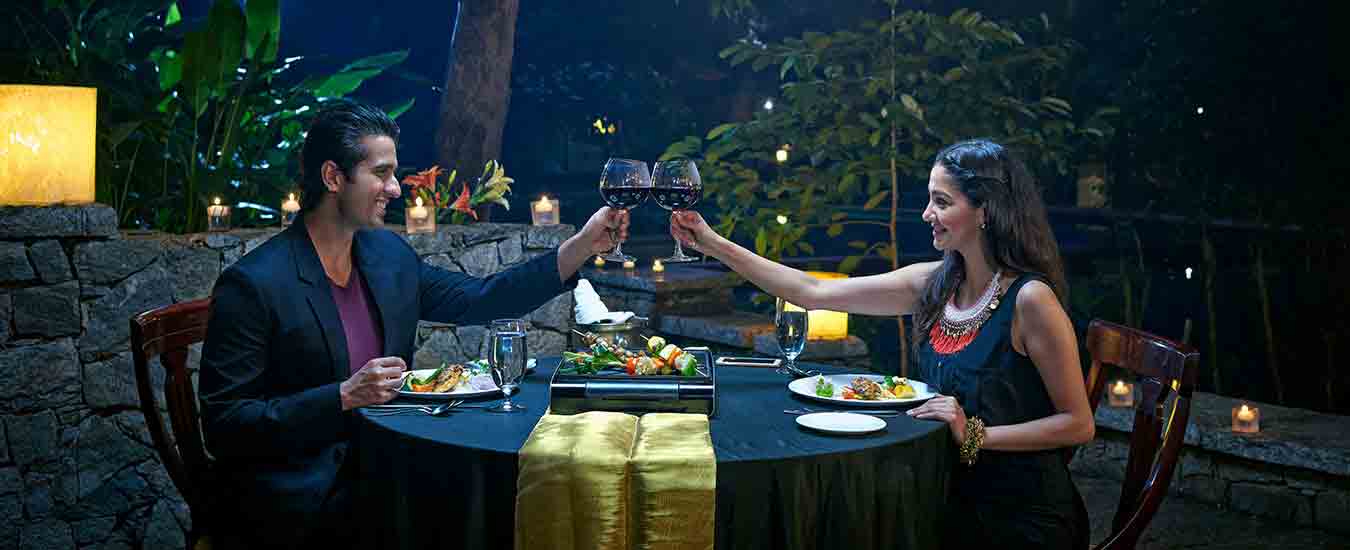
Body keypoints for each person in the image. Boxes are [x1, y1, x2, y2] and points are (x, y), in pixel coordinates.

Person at [198, 101, 628, 549]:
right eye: (381, 173)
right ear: (332, 177)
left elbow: (481, 298)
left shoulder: (387, 256)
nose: (394, 188)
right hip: (305, 495)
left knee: (507, 498)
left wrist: (583, 244)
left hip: (388, 466)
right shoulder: (255, 284)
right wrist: (343, 396)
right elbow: (226, 426)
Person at [669, 138, 1094, 548]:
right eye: (929, 199)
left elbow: (1078, 424)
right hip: (943, 495)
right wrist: (710, 242)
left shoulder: (1030, 299)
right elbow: (810, 291)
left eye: (942, 202)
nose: (927, 214)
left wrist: (975, 435)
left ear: (986, 210)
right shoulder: (935, 283)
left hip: (1019, 516)